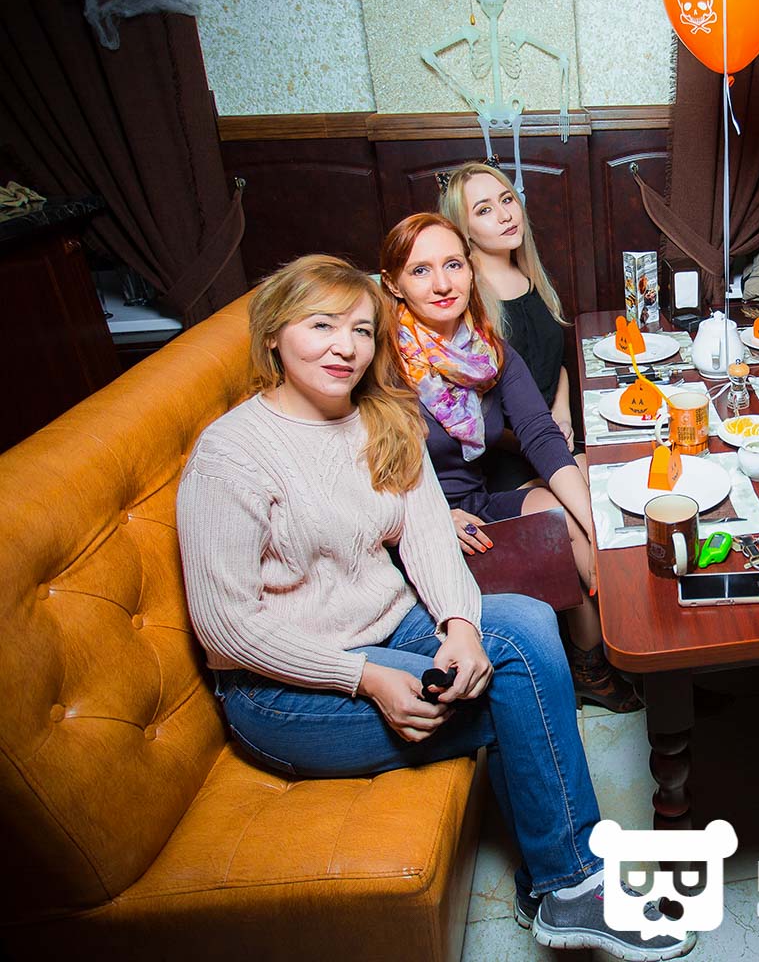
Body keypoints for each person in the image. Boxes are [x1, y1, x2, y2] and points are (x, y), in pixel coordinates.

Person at [175, 254, 691, 961]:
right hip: (282, 689)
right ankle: (568, 881)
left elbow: (427, 542)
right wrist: (365, 677)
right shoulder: (230, 455)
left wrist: (461, 626)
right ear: (273, 335)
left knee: (526, 625)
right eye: (321, 326)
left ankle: (557, 882)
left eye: (361, 330)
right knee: (521, 699)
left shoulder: (383, 420)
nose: (345, 347)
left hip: (393, 627)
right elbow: (226, 629)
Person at [380, 212, 640, 713]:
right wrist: (432, 519)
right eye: (420, 270)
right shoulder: (382, 363)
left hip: (477, 502)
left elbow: (540, 433)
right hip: (420, 526)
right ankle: (603, 657)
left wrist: (598, 528)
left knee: (572, 515)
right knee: (564, 526)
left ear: (470, 269)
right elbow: (364, 473)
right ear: (393, 283)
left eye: (453, 265)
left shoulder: (486, 350)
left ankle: (601, 657)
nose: (442, 284)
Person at [439, 161, 579, 472]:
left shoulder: (532, 280)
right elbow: (466, 411)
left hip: (555, 435)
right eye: (484, 210)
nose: (505, 215)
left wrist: (562, 416)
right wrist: (539, 440)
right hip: (502, 455)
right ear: (463, 230)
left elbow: (556, 364)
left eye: (507, 199)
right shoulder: (465, 301)